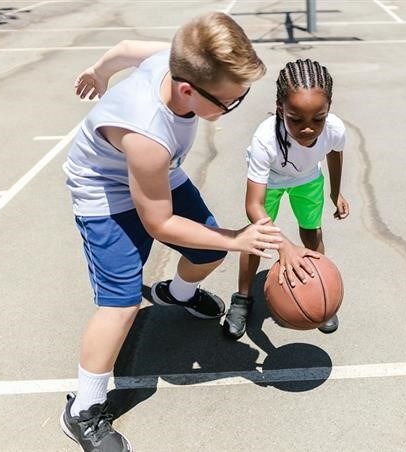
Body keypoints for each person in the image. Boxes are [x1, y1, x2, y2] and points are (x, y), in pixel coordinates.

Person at [60, 12, 282, 452]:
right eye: (229, 101)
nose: (234, 106)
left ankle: (174, 295)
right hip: (105, 190)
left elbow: (124, 48)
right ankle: (82, 409)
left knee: (206, 251)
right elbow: (158, 223)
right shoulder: (147, 133)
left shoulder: (174, 59)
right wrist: (237, 239)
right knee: (119, 306)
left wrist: (98, 73)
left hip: (160, 173)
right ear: (187, 90)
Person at [222, 59, 349, 341]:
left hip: (307, 179)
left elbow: (334, 153)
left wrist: (335, 191)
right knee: (256, 238)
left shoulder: (335, 129)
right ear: (281, 109)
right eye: (296, 119)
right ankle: (243, 298)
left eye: (318, 119)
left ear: (328, 110)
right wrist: (283, 245)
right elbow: (253, 205)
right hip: (272, 181)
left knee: (312, 231)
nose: (308, 129)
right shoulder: (265, 140)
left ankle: (318, 288)